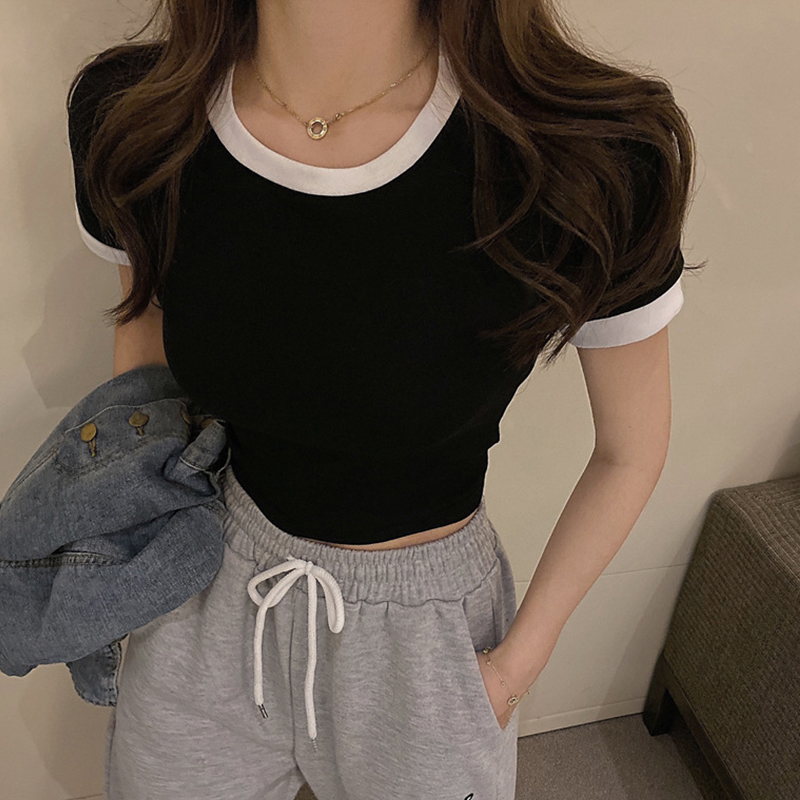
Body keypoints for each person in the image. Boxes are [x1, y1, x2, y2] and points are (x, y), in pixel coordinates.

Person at [67, 1, 696, 798]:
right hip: (203, 586)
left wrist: (515, 667)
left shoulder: (592, 155)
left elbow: (630, 450)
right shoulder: (136, 117)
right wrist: (134, 560)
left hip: (422, 636)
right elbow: (144, 354)